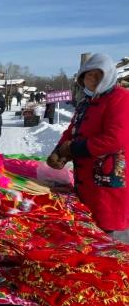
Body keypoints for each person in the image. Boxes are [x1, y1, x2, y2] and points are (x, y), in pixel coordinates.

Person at [47, 53, 129, 239]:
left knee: (102, 235)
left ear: (108, 76)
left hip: (106, 180)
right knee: (86, 231)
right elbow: (72, 130)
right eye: (87, 75)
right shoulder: (86, 101)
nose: (91, 79)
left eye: (97, 75)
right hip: (86, 180)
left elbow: (116, 138)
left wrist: (73, 149)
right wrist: (59, 151)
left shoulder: (120, 98)